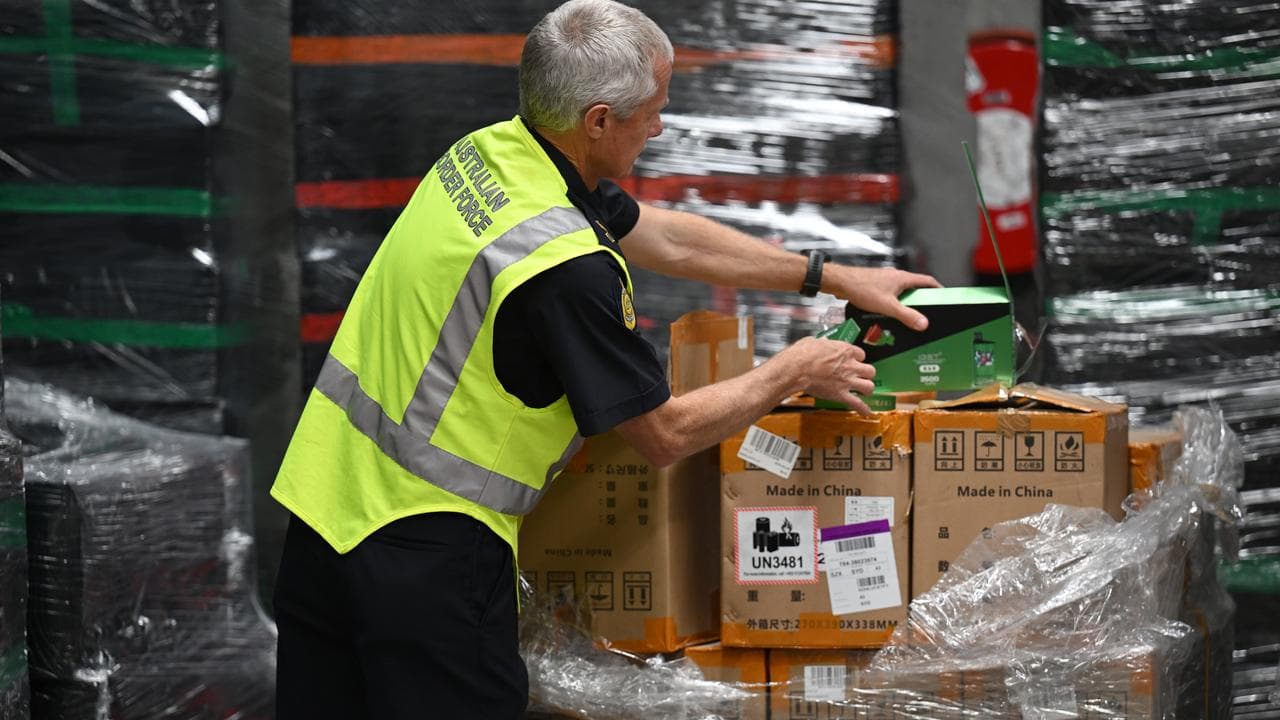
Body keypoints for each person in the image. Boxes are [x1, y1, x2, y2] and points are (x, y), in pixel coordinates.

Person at [270, 0, 940, 717]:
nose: (660, 125)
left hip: (320, 512)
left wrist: (834, 276)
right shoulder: (566, 268)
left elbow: (668, 240)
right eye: (652, 111)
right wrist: (797, 368)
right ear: (597, 120)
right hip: (427, 555)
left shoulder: (487, 157)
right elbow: (663, 434)